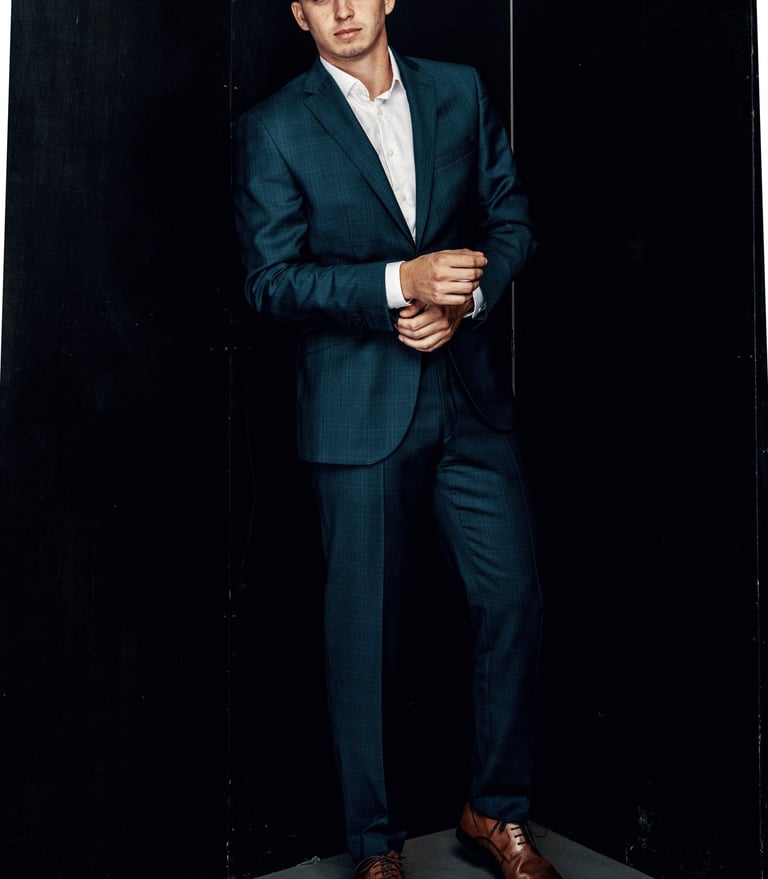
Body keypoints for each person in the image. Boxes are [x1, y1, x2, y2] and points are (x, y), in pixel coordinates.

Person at [234, 2, 561, 878]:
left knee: (513, 600)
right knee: (362, 634)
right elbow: (270, 281)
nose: (342, 9)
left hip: (471, 398)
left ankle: (496, 810)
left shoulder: (460, 91)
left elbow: (511, 215)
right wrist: (397, 283)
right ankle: (374, 845)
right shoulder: (273, 127)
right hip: (358, 409)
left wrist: (468, 297)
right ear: (298, 14)